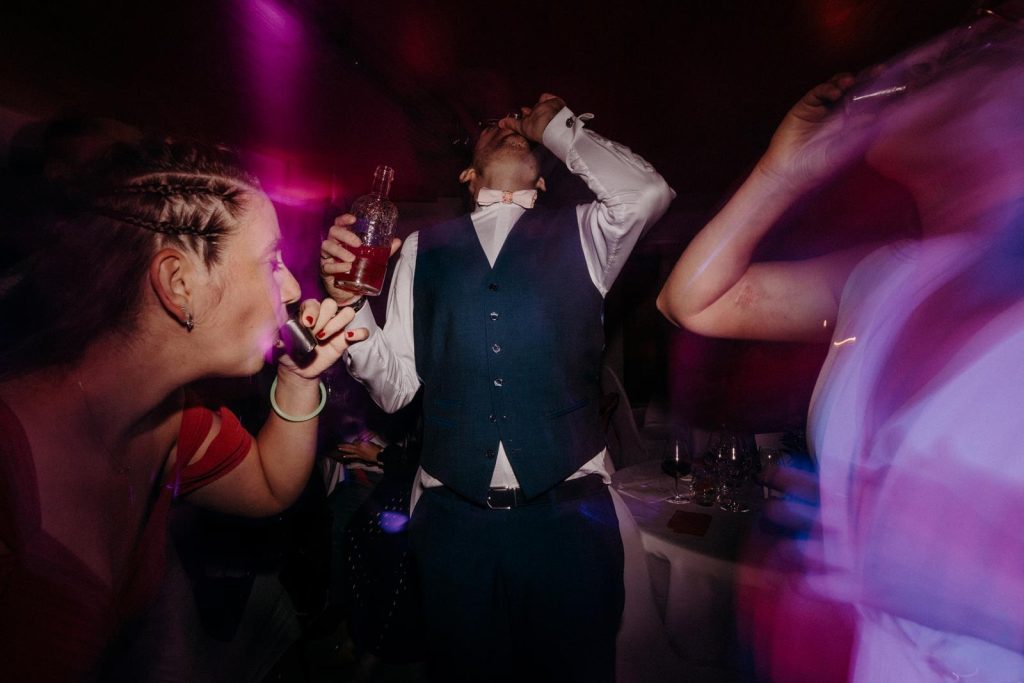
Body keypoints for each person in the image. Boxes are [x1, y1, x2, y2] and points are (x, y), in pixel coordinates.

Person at [657, 4, 1024, 680]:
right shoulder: (887, 276)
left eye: (954, 60)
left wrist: (980, 575)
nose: (905, 72)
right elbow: (694, 301)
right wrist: (787, 170)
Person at [320, 93, 673, 680]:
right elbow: (395, 389)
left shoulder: (586, 232)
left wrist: (556, 125)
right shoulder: (418, 249)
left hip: (569, 522)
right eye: (493, 126)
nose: (510, 126)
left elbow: (647, 194)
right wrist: (349, 306)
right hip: (452, 524)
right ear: (467, 172)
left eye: (519, 126)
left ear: (544, 168)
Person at [0, 121, 360, 679]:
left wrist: (297, 377)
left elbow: (267, 485)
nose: (291, 289)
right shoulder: (11, 464)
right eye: (270, 262)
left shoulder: (169, 422)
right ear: (179, 283)